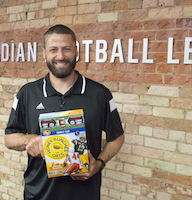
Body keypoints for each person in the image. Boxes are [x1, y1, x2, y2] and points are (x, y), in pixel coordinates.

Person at [5, 24, 124, 200]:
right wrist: (31, 140)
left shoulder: (100, 94)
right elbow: (9, 138)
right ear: (44, 52)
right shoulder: (27, 93)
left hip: (85, 195)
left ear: (76, 50)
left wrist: (99, 164)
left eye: (66, 49)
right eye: (54, 49)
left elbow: (117, 137)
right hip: (38, 194)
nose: (60, 56)